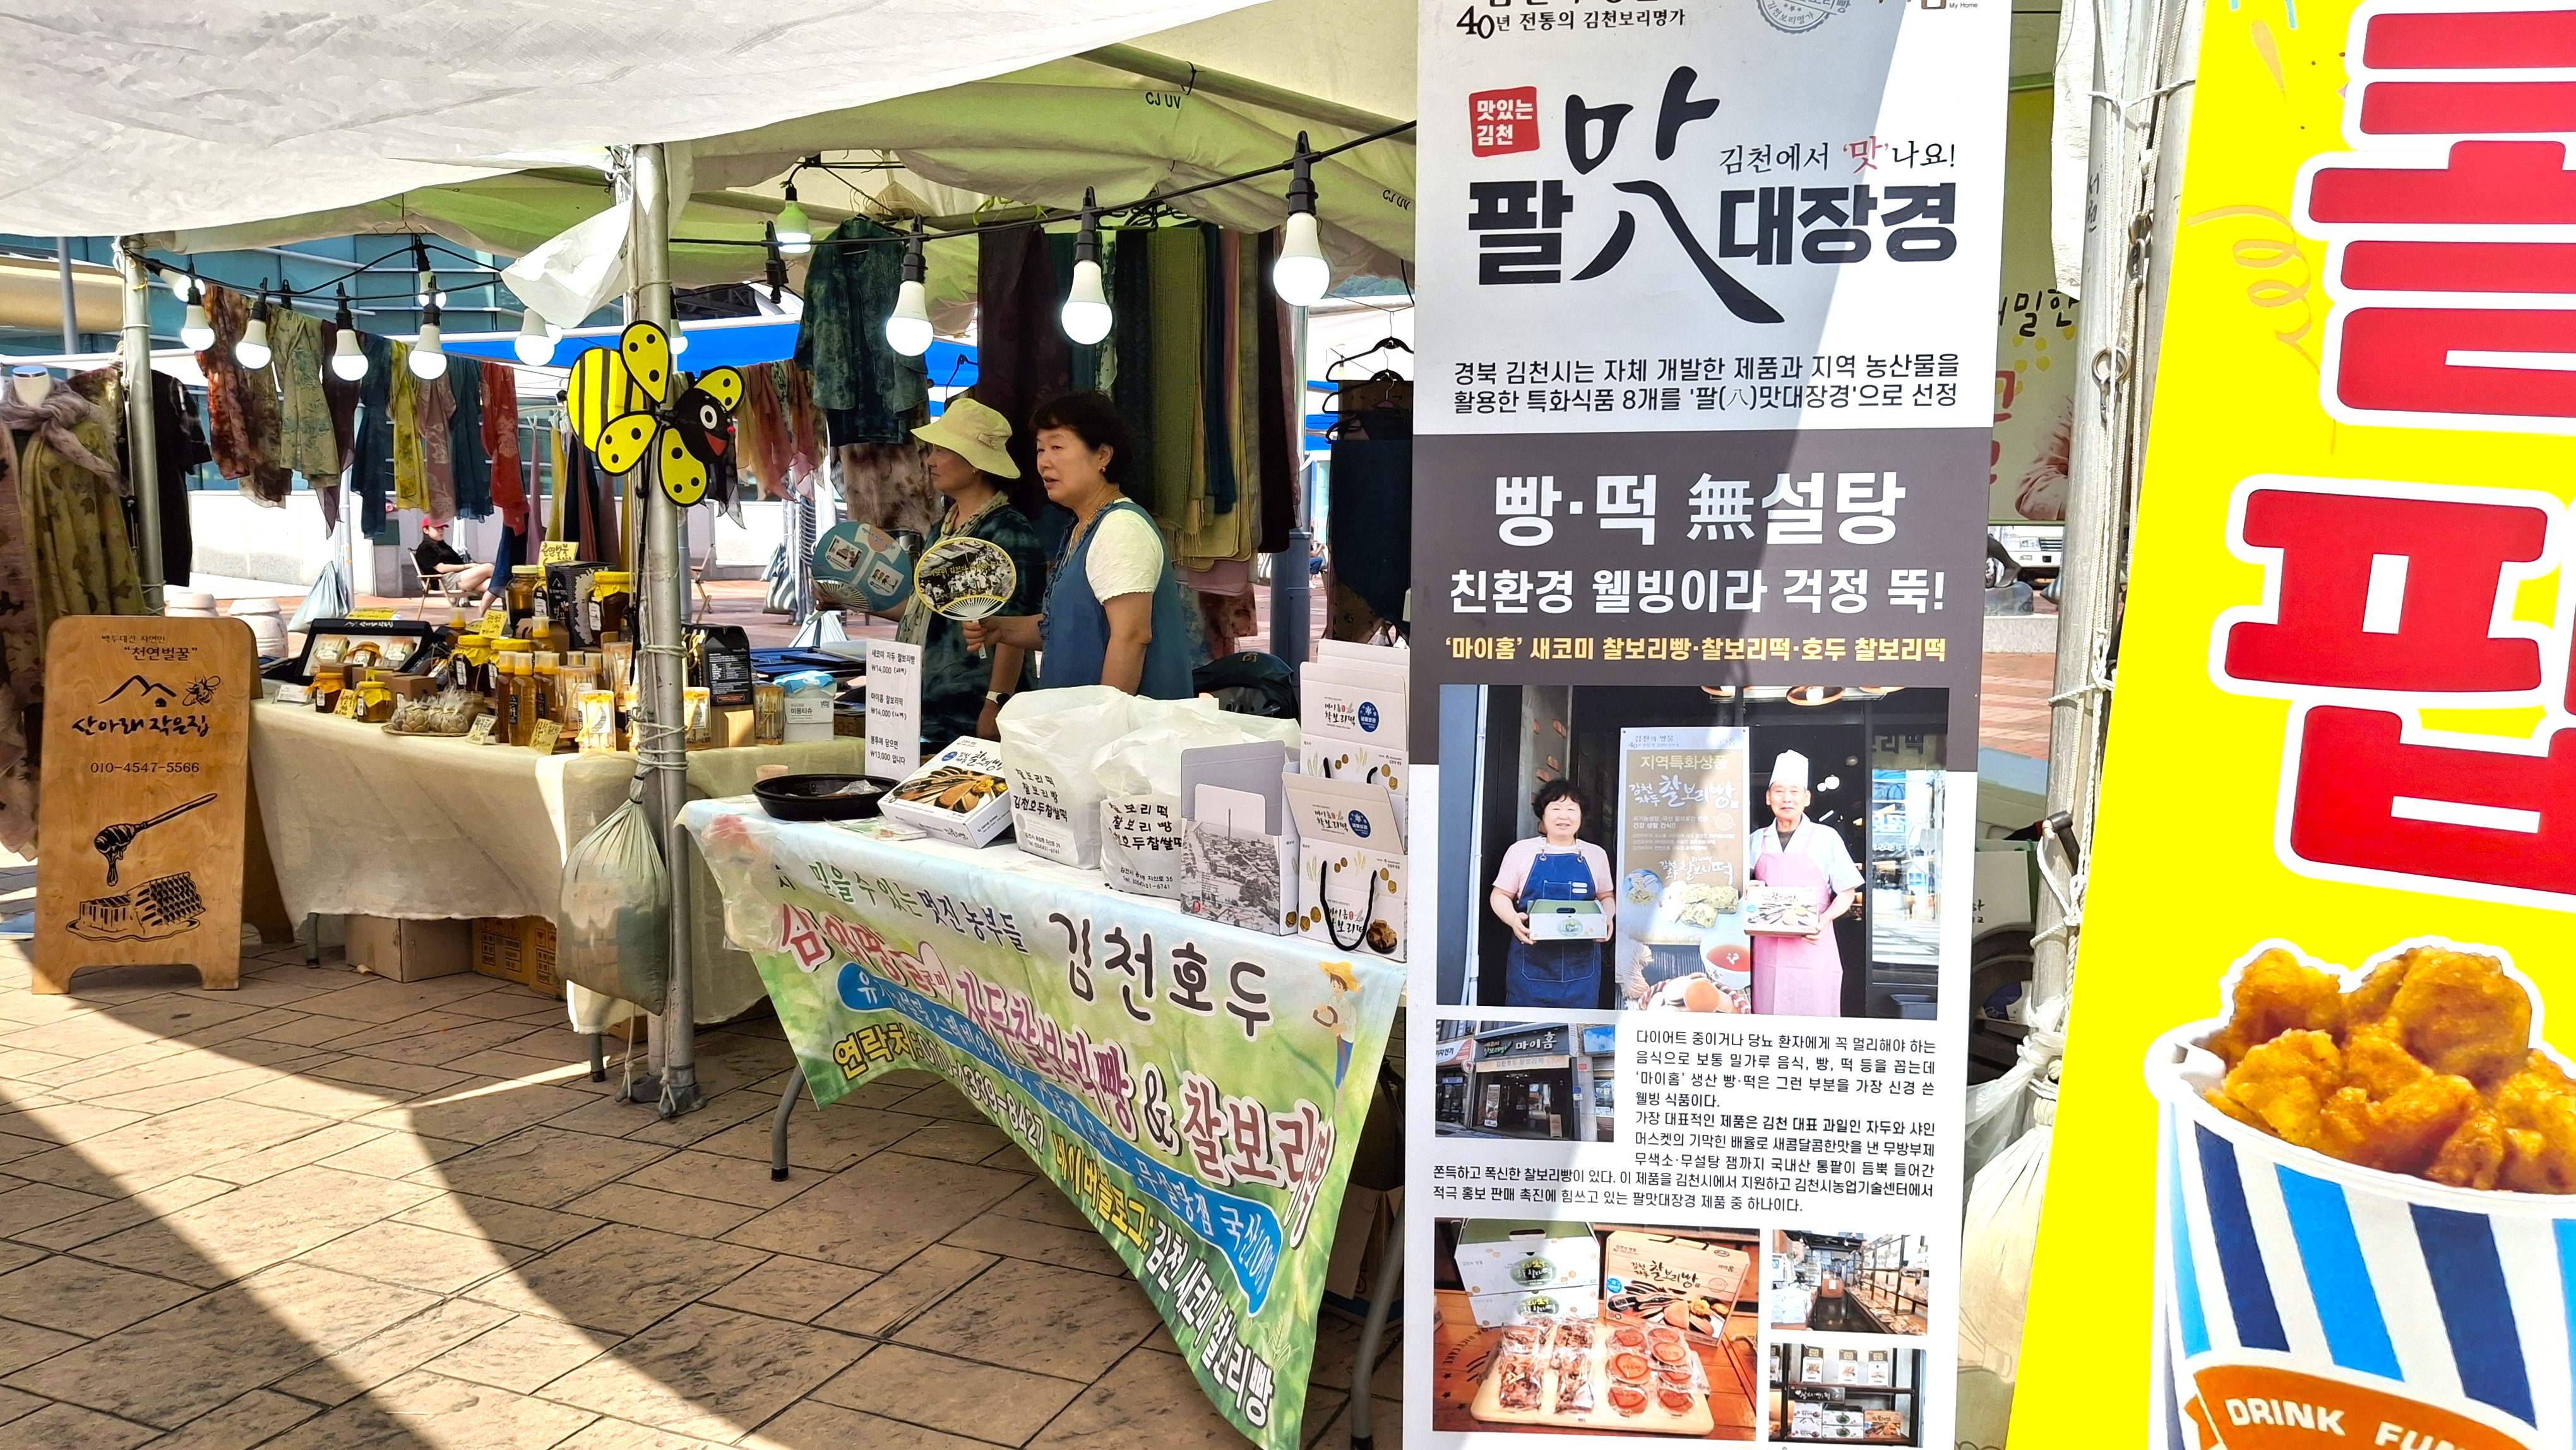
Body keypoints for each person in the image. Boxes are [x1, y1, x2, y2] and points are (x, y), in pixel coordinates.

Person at [963, 392, 1194, 698]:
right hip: (1078, 720)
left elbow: (1132, 636)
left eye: (1057, 447)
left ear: (1103, 456)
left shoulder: (1121, 527)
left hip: (1122, 725)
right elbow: (1067, 627)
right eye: (1040, 449)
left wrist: (1103, 719)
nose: (1044, 462)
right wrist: (1001, 629)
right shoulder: (1082, 527)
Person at [881, 397, 1046, 745]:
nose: (931, 461)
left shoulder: (1007, 531)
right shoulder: (943, 528)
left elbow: (1015, 627)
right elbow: (927, 609)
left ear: (975, 464)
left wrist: (996, 701)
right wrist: (852, 599)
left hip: (972, 703)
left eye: (942, 451)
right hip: (929, 701)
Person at [1748, 750, 1861, 1017]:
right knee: (1768, 1013)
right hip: (1767, 949)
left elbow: (1847, 892)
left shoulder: (1826, 837)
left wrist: (1826, 919)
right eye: (1779, 792)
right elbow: (1743, 886)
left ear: (1807, 798)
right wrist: (1750, 888)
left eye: (1794, 791)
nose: (1787, 798)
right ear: (1768, 798)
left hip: (1813, 943)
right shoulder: (1756, 839)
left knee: (1814, 1013)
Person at [1489, 780, 1617, 1009]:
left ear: (1581, 815)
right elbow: (1499, 895)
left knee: (1579, 1029)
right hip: (1531, 968)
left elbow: (1606, 897)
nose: (1563, 816)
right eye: (1556, 808)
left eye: (1571, 809)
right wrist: (1512, 919)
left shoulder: (1596, 854)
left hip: (1582, 970)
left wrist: (1607, 918)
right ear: (1543, 813)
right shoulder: (1521, 851)